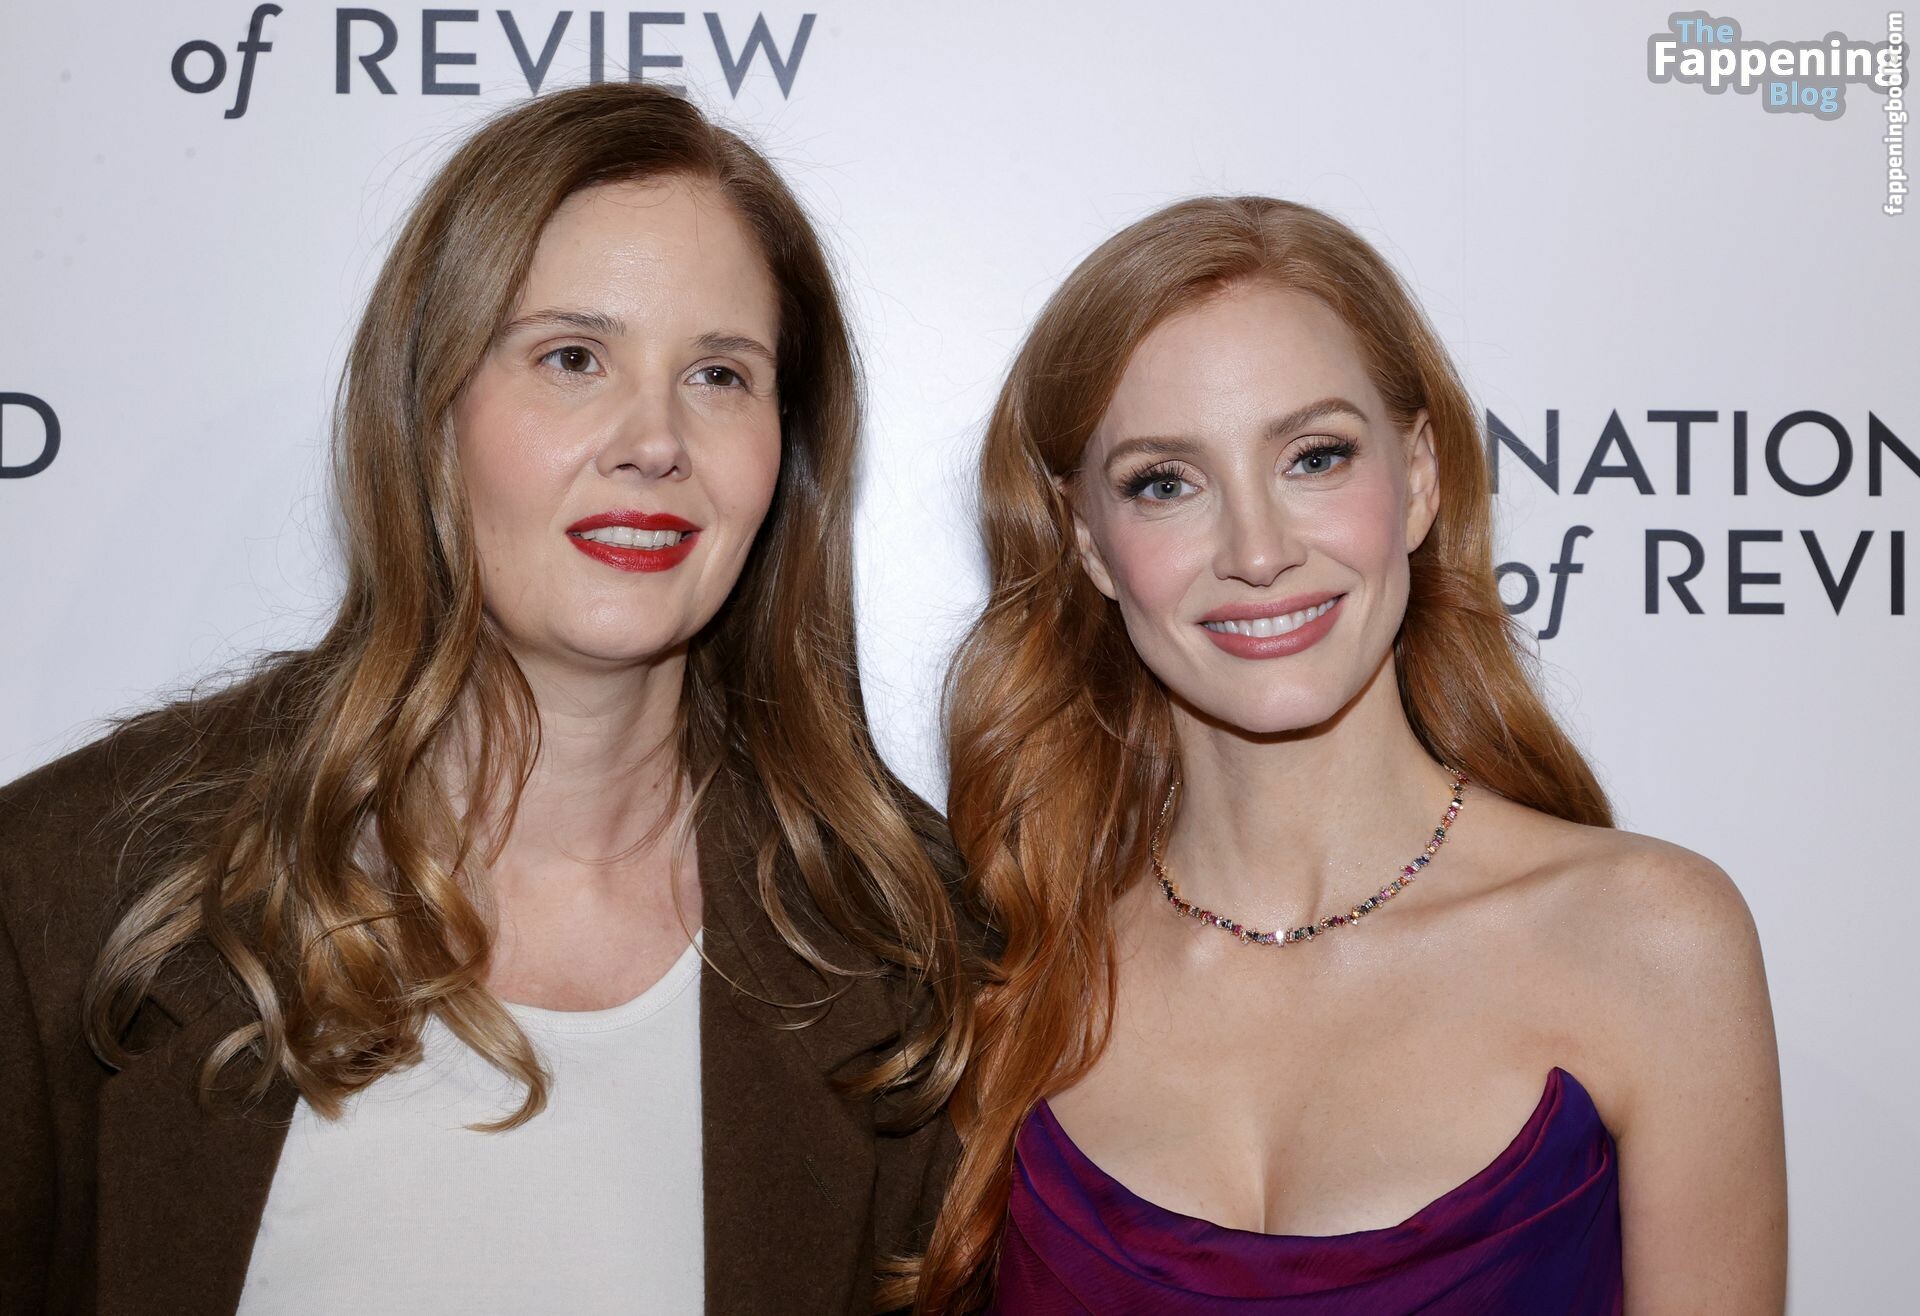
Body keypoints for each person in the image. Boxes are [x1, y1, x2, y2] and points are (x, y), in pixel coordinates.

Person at [0, 82, 972, 1316]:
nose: (655, 439)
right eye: (573, 358)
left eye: (720, 374)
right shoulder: (74, 887)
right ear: (430, 408)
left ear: (786, 449)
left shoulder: (907, 948)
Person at [914, 196, 1786, 1313]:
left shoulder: (1651, 943)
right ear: (1088, 540)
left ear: (1419, 478)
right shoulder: (1011, 974)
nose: (1258, 550)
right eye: (1165, 482)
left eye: (1314, 456)